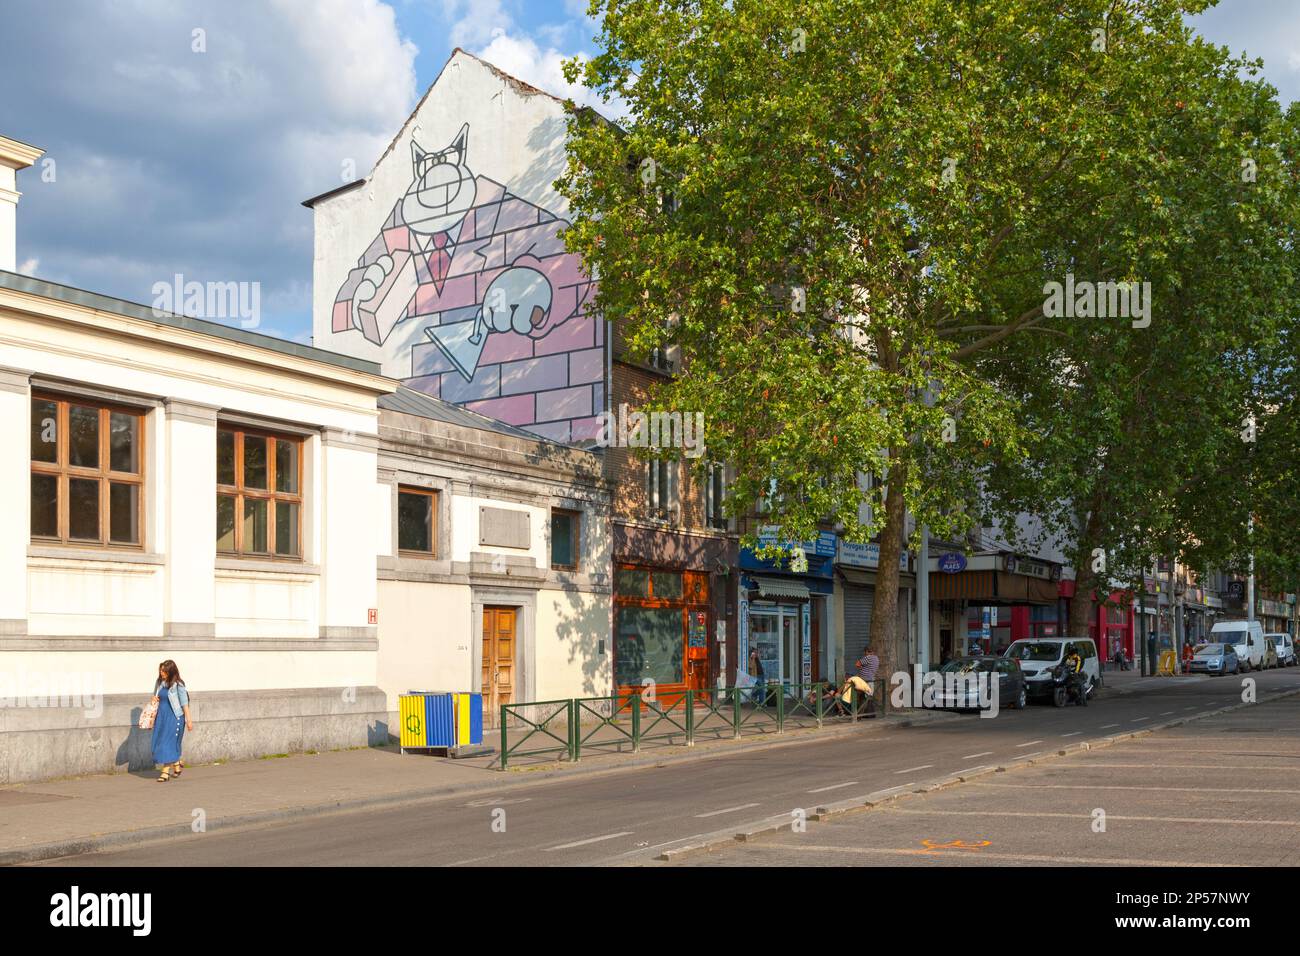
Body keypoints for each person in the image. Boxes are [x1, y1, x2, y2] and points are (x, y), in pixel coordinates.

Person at [151, 660, 193, 782]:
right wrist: (154, 699)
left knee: (166, 743)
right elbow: (156, 697)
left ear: (170, 671)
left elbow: (184, 704)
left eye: (164, 670)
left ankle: (165, 772)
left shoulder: (178, 684)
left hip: (175, 717)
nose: (161, 672)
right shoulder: (159, 682)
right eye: (160, 670)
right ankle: (177, 763)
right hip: (161, 717)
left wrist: (189, 720)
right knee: (159, 742)